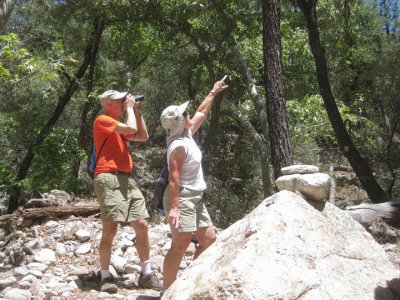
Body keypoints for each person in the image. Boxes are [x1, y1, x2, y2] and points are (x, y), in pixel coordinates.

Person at [160, 77, 229, 291]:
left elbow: (201, 112)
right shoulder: (178, 146)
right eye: (186, 114)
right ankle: (168, 292)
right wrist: (175, 206)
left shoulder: (186, 133)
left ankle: (189, 283)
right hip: (182, 197)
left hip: (195, 197)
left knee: (209, 241)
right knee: (179, 245)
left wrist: (213, 92)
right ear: (181, 121)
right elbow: (174, 178)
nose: (190, 115)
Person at [93, 90, 161, 293]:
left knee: (142, 224)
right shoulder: (103, 120)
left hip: (126, 178)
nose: (124, 102)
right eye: (120, 100)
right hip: (108, 177)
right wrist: (130, 109)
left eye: (125, 100)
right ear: (107, 103)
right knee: (111, 228)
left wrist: (137, 112)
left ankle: (146, 274)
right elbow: (130, 128)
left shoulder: (120, 128)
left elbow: (142, 135)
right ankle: (105, 276)